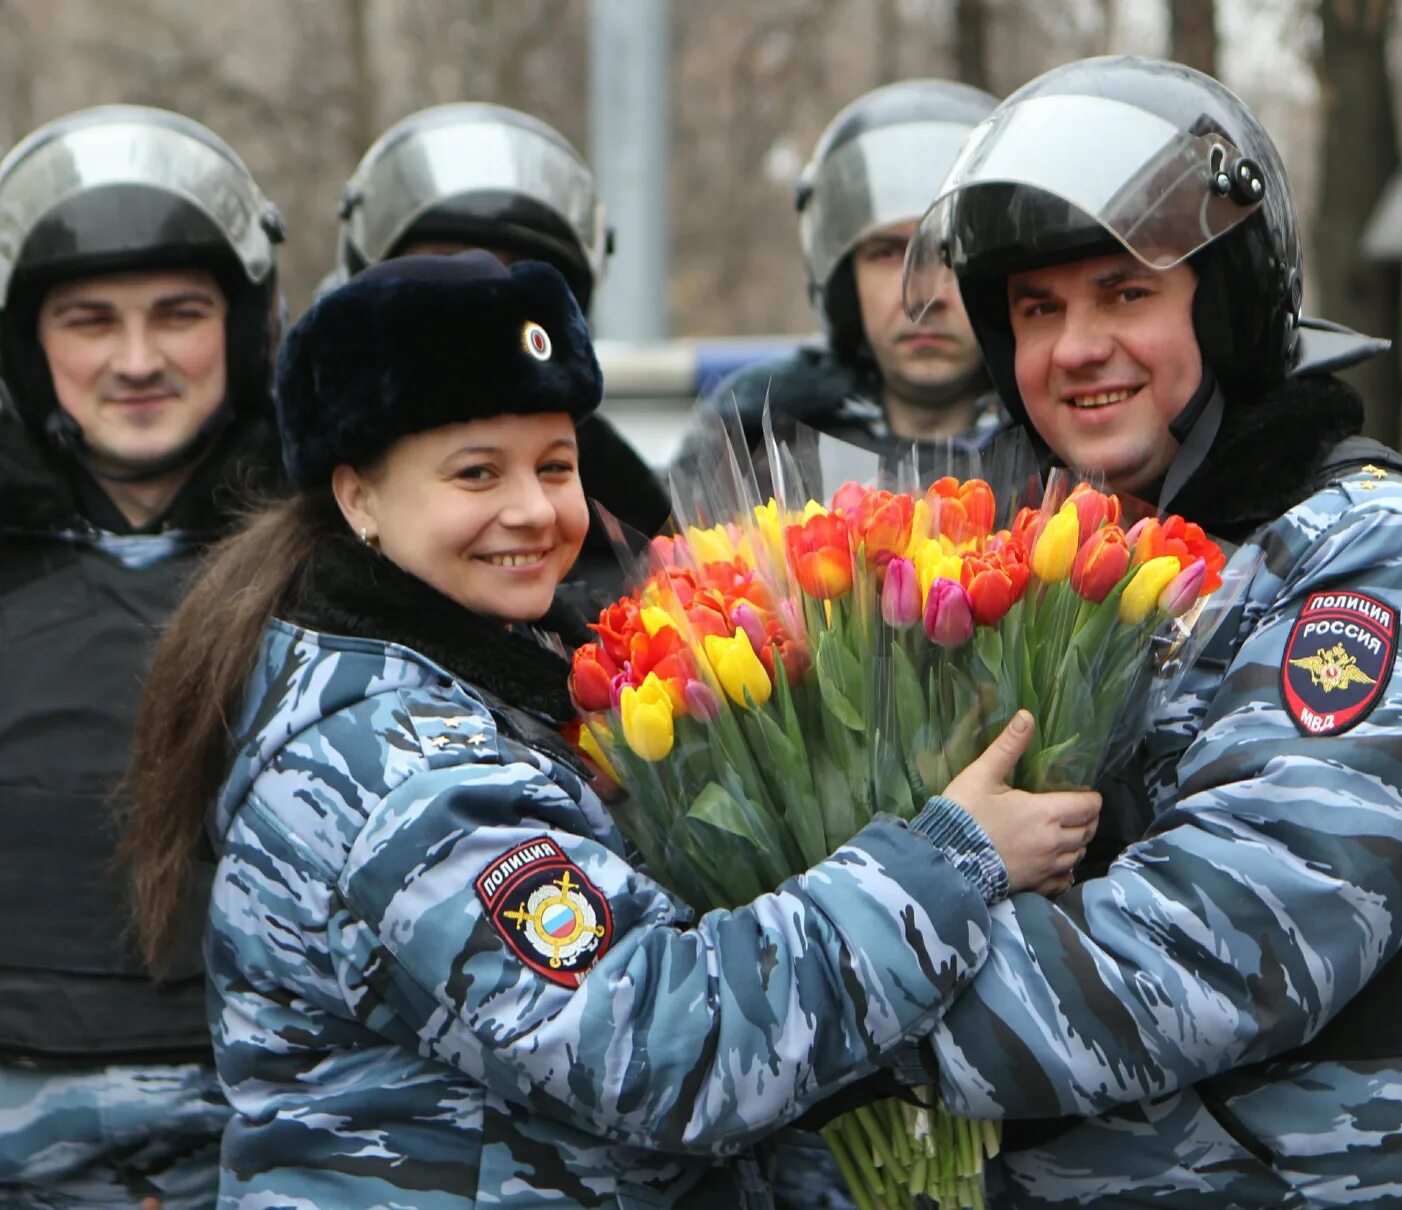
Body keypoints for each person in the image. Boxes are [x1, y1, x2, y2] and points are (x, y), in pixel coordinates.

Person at [121, 250, 1100, 1207]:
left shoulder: (474, 669)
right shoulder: (400, 768)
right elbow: (665, 1049)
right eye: (474, 473)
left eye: (555, 464)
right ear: (357, 496)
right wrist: (950, 857)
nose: (534, 510)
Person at [804, 54, 1402, 1209]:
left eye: (1125, 292)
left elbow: (1234, 939)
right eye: (1038, 310)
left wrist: (811, 1001)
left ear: (1230, 304)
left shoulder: (1369, 559)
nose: (1076, 347)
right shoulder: (1067, 575)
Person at [0, 105, 287, 1208]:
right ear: (29, 345)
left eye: (179, 313)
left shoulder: (339, 546)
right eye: (88, 320)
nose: (136, 360)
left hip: (257, 1119)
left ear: (245, 325)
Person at [337, 100, 670, 580]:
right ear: (357, 497)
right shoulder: (291, 573)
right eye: (443, 282)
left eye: (554, 468)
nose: (486, 313)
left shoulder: (637, 532)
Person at [671, 79, 1001, 478]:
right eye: (886, 253)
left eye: (950, 253)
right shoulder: (754, 459)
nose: (924, 296)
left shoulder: (1074, 457)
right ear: (843, 284)